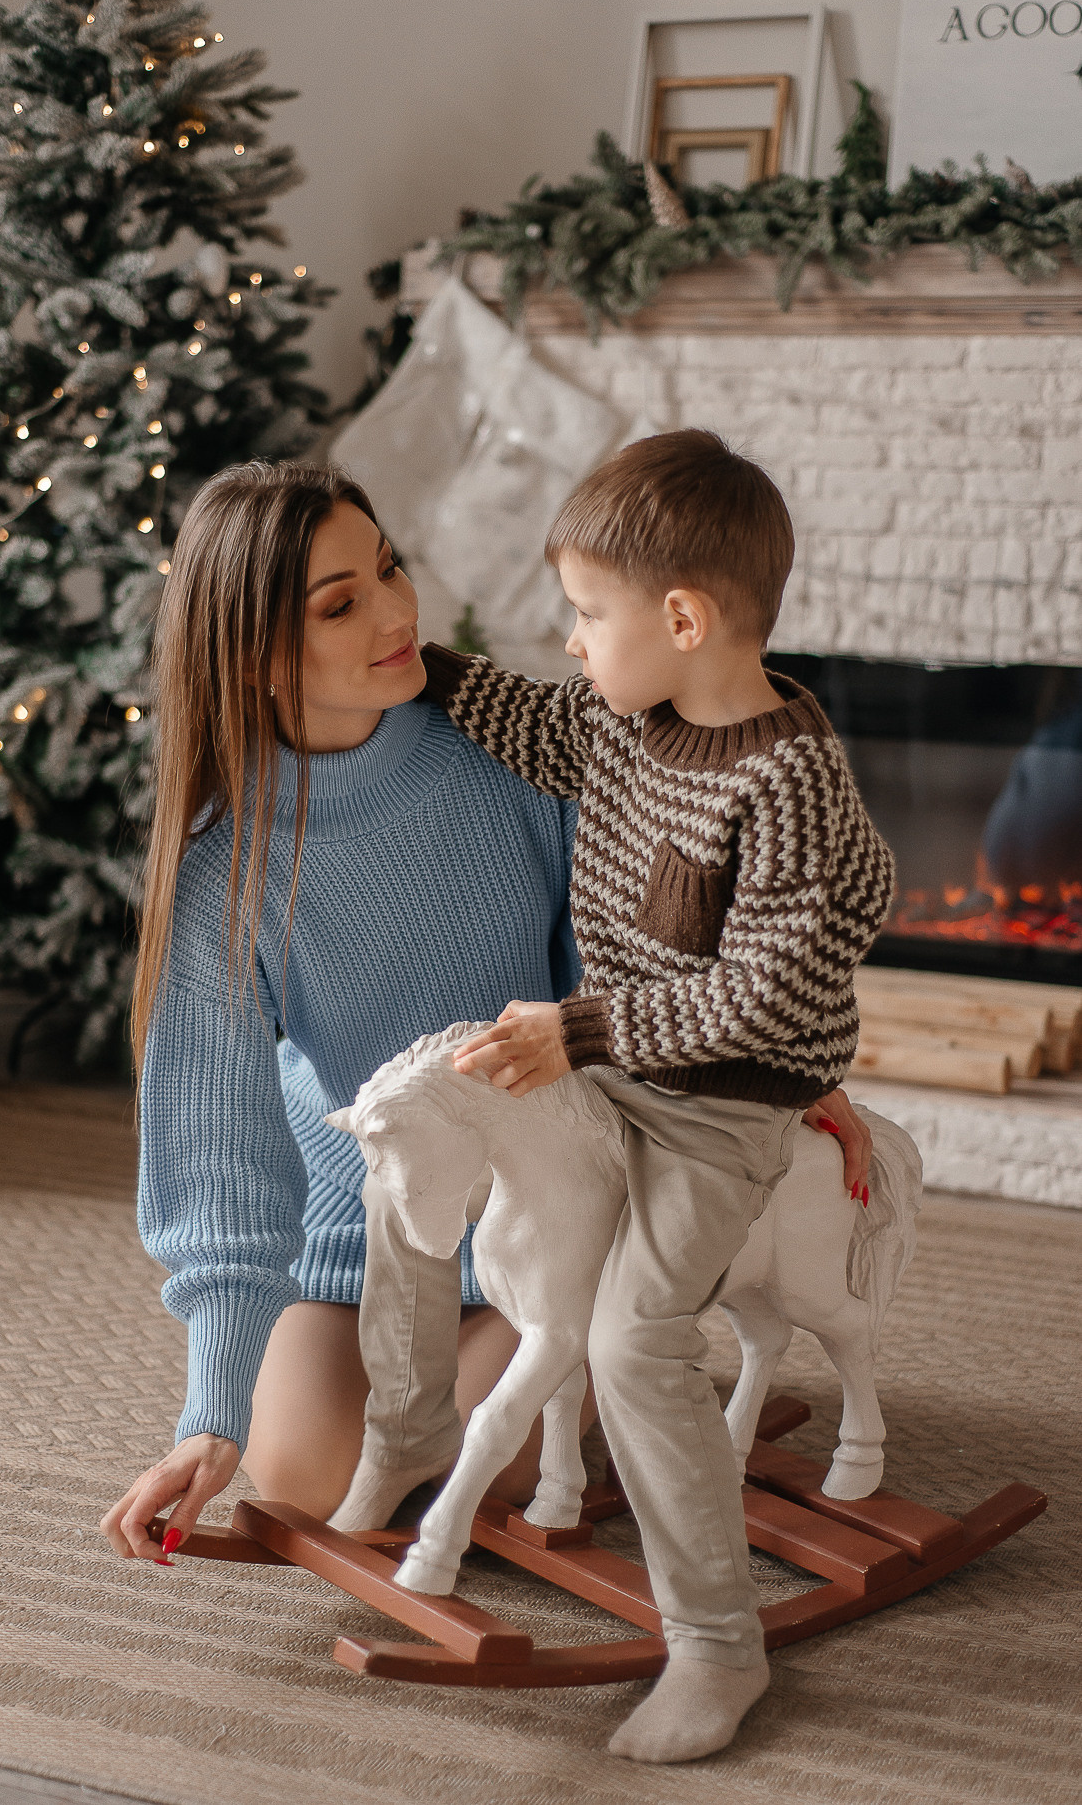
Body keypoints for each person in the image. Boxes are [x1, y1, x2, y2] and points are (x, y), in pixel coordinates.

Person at [98, 455, 872, 1616]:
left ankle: (614, 1351)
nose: (400, 610)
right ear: (254, 654)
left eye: (388, 567)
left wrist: (778, 1079)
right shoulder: (224, 871)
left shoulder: (512, 751)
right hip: (366, 1198)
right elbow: (221, 1158)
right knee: (302, 1471)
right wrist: (207, 1413)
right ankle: (575, 1373)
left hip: (563, 1171)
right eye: (341, 602)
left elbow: (650, 948)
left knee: (486, 1450)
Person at [413, 430, 895, 1765]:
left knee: (630, 1336)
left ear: (679, 619)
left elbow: (745, 1001)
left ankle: (713, 1645)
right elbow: (527, 717)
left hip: (722, 1101)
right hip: (620, 1060)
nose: (568, 641)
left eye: (584, 614)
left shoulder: (785, 782)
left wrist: (577, 1029)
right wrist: (422, 670)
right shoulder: (623, 718)